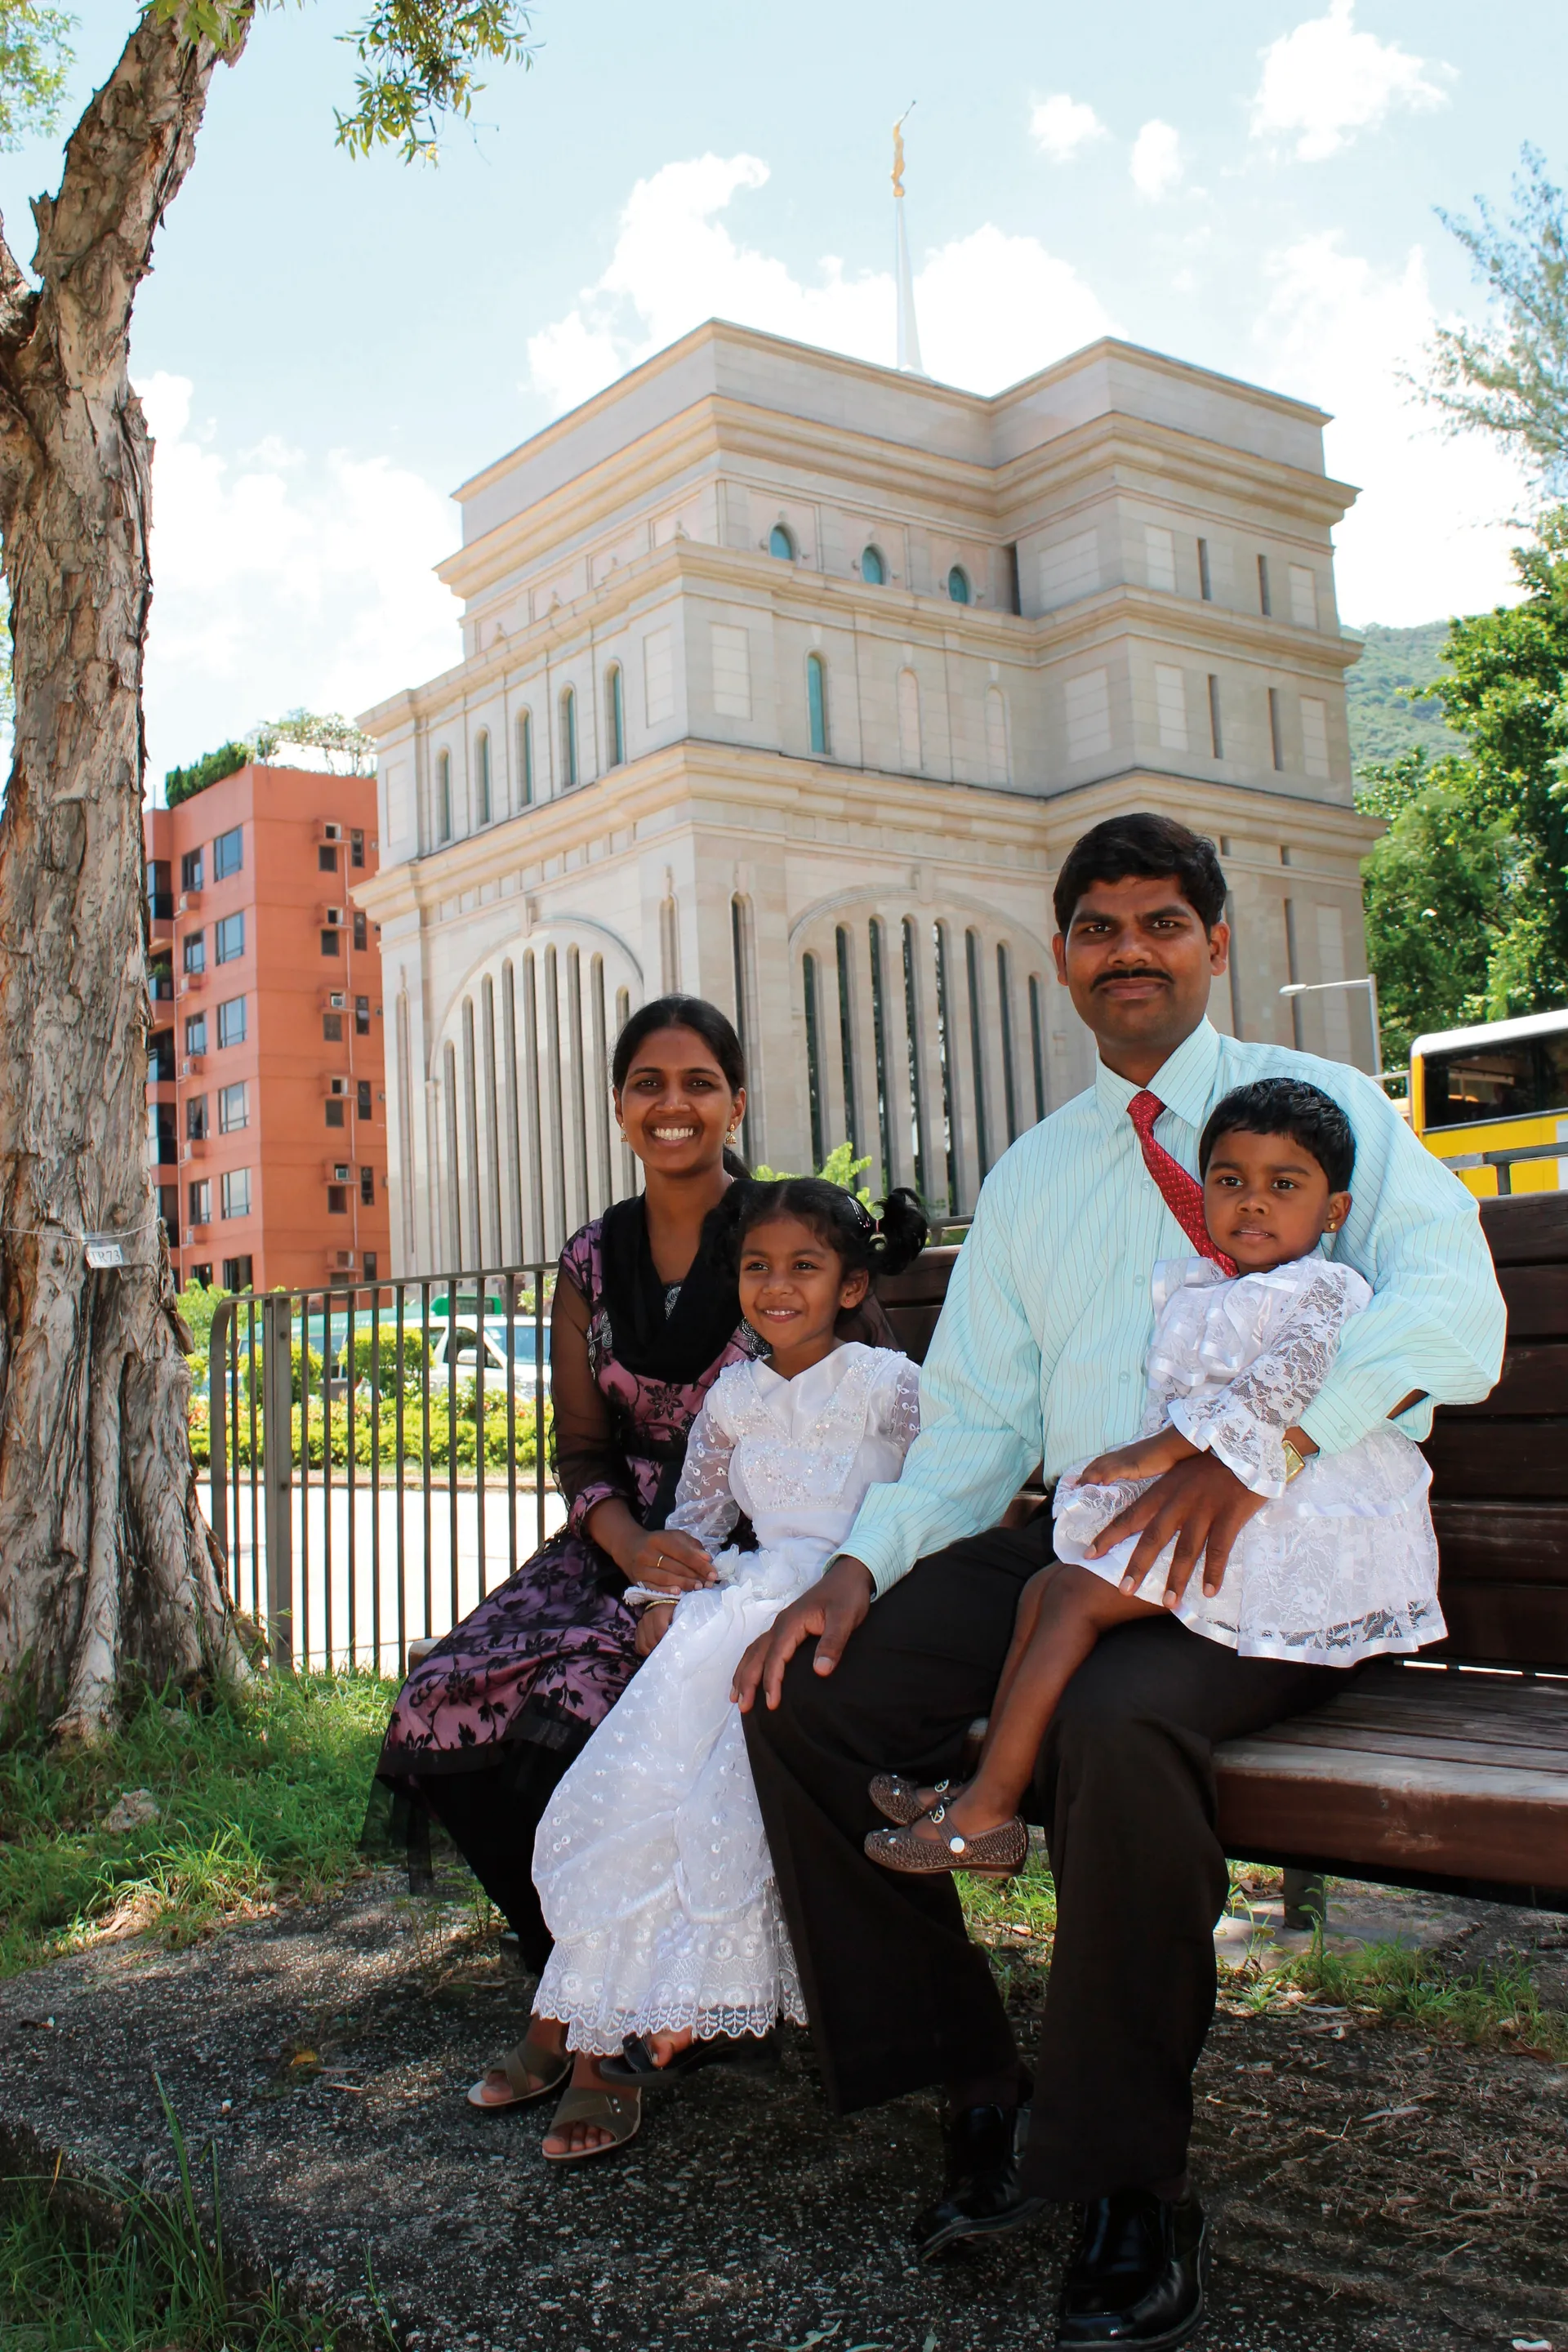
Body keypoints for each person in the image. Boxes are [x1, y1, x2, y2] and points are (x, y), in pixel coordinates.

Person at [732, 814, 1505, 2351]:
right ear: (1067, 955)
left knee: (1118, 1727)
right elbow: (974, 1422)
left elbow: (1454, 1316)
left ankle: (1124, 2178)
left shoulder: (1330, 1113)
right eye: (1099, 926)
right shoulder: (1034, 1177)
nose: (1130, 949)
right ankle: (984, 2090)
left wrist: (1268, 1444)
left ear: (1217, 944)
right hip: (1094, 1525)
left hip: (1286, 1540)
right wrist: (860, 1567)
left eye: (1163, 921)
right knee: (809, 1699)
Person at [863, 1076, 1441, 1880]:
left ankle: (988, 1815)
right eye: (1231, 1181)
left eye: (1285, 1185)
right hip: (1225, 1502)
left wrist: (1163, 1453)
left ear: (1334, 1211)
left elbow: (1286, 1385)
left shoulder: (1327, 1289)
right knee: (1044, 1591)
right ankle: (980, 1791)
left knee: (1066, 1597)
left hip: (1290, 1521)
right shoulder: (1203, 1290)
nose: (1254, 1203)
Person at [372, 995, 765, 2131]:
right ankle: (583, 1985)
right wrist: (628, 1542)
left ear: (736, 1103)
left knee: (583, 1707)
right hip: (619, 1538)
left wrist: (710, 1557)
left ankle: (596, 2032)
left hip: (749, 1548)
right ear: (619, 1107)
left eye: (698, 1083)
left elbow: (857, 1412)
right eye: (648, 1083)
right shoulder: (593, 1256)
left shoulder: (787, 1229)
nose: (673, 1104)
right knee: (444, 1694)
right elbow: (582, 1448)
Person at [528, 1178, 926, 2161]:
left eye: (803, 1267)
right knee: (644, 1770)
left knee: (726, 1773)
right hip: (741, 1596)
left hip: (854, 1595)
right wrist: (663, 1598)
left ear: (849, 1284)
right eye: (757, 1267)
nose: (776, 1286)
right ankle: (587, 2004)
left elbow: (944, 1495)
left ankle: (680, 2003)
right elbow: (699, 1522)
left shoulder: (888, 1383)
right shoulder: (735, 1395)